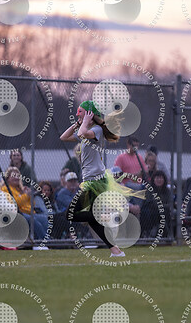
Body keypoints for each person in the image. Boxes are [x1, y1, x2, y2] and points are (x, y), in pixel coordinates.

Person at [61, 100, 143, 257]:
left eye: (81, 112)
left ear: (90, 114)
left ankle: (105, 218)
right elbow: (64, 137)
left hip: (95, 182)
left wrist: (85, 122)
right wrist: (78, 123)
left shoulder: (97, 130)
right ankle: (115, 250)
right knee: (91, 220)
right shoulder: (87, 129)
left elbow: (81, 134)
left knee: (70, 214)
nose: (77, 114)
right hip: (91, 181)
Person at [0, 167, 49, 244]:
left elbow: (31, 204)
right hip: (17, 214)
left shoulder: (19, 189)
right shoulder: (5, 189)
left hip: (29, 212)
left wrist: (29, 195)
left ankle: (47, 239)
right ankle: (44, 241)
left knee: (44, 219)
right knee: (34, 222)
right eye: (13, 175)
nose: (16, 177)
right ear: (7, 178)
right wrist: (26, 195)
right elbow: (15, 203)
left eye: (17, 176)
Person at [140, 170, 171, 238]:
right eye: (157, 178)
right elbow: (151, 202)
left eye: (161, 178)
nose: (159, 180)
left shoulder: (167, 191)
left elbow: (170, 203)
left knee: (167, 212)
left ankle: (167, 234)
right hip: (151, 212)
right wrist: (161, 205)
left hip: (164, 211)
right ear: (153, 179)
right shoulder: (149, 190)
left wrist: (162, 206)